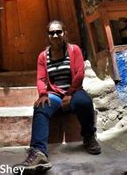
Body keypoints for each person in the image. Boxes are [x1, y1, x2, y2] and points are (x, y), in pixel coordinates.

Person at [17, 20, 101, 173]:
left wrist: (69, 93)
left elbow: (79, 74)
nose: (55, 35)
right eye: (51, 33)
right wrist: (43, 94)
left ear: (64, 33)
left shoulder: (74, 50)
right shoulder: (43, 56)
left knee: (84, 102)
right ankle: (39, 153)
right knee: (40, 107)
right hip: (54, 94)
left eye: (58, 32)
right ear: (48, 36)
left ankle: (89, 136)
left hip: (74, 91)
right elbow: (41, 79)